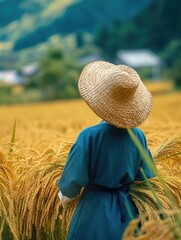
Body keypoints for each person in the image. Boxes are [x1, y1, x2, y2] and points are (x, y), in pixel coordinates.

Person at [57, 61, 155, 240]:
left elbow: (70, 187)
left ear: (101, 98)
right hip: (129, 216)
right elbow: (149, 179)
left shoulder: (89, 137)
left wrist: (62, 198)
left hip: (93, 216)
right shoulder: (138, 136)